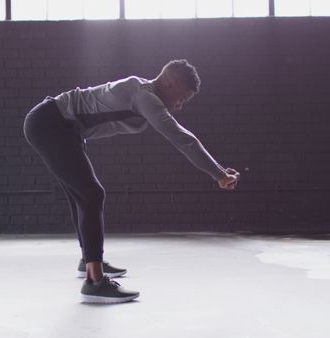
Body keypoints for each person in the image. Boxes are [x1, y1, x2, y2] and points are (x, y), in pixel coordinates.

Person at [23, 59, 240, 304]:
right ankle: (95, 282)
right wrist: (219, 174)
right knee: (92, 194)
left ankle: (89, 261)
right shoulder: (146, 98)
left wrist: (220, 170)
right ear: (171, 83)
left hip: (61, 126)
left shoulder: (142, 90)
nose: (180, 106)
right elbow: (183, 139)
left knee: (82, 195)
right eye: (182, 99)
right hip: (50, 123)